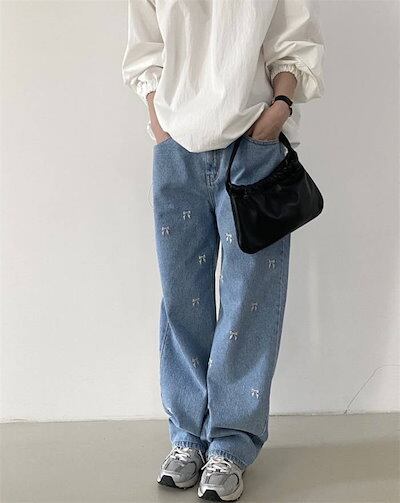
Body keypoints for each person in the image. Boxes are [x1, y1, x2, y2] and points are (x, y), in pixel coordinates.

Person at [122, 0, 324, 500]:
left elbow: (293, 42)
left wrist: (277, 112)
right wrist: (159, 121)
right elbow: (145, 49)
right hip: (176, 147)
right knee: (181, 300)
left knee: (250, 301)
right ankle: (188, 438)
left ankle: (231, 445)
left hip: (254, 146)